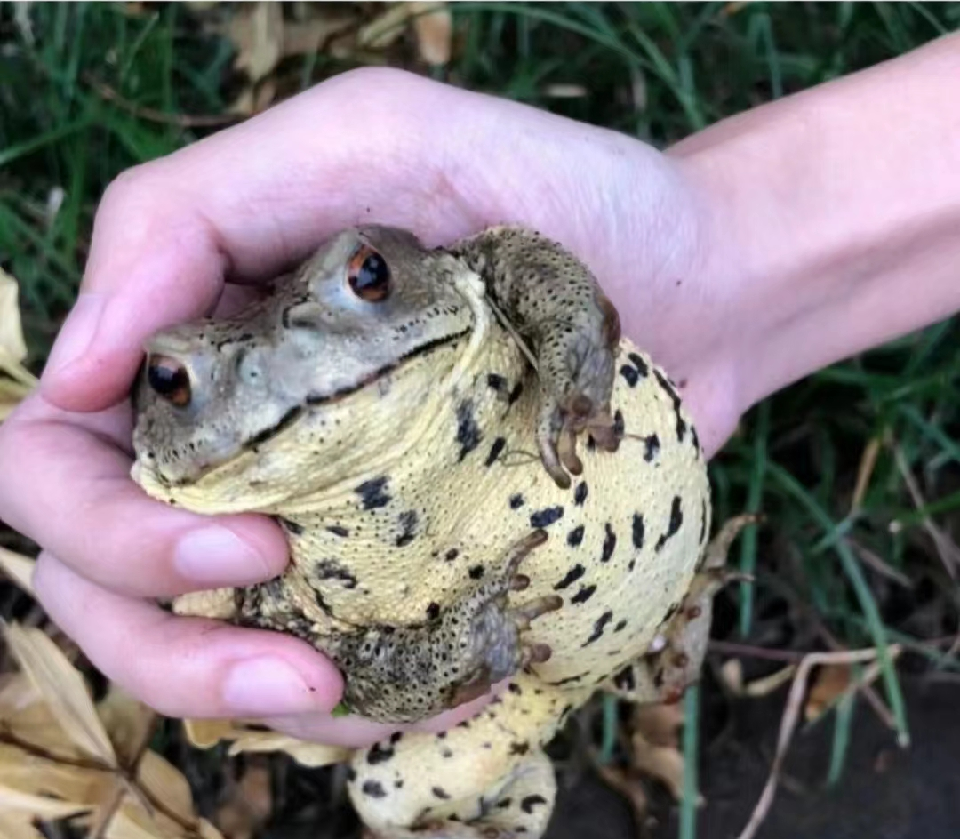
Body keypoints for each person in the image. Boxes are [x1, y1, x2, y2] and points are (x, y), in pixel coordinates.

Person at [1, 33, 958, 749]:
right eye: (172, 378)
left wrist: (579, 370)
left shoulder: (483, 279)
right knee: (400, 788)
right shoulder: (218, 548)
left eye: (366, 280)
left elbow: (516, 256)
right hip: (510, 669)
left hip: (583, 484)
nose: (304, 366)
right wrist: (448, 655)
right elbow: (341, 673)